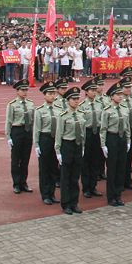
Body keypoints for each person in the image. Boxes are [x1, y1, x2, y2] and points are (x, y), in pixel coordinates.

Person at [55, 86, 85, 215]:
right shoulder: (63, 116)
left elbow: (83, 133)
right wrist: (58, 151)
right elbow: (59, 134)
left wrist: (83, 147)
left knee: (75, 176)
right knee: (65, 177)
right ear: (68, 100)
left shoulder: (81, 114)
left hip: (77, 146)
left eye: (77, 98)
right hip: (67, 145)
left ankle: (74, 202)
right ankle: (66, 204)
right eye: (73, 99)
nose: (76, 101)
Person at [100, 82, 130, 207]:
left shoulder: (125, 108)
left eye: (121, 94)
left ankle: (118, 195)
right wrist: (103, 145)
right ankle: (111, 197)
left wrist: (128, 140)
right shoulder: (106, 111)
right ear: (112, 96)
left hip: (122, 138)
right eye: (117, 94)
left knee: (121, 167)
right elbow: (103, 129)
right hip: (112, 138)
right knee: (112, 168)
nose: (120, 96)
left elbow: (127, 126)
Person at [5, 79, 35, 194]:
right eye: (22, 90)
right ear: (17, 91)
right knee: (16, 159)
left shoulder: (30, 104)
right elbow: (8, 121)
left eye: (26, 90)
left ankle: (24, 182)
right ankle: (16, 183)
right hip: (17, 131)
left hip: (27, 132)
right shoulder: (12, 105)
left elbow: (33, 121)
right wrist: (8, 137)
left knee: (25, 159)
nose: (25, 92)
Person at [33, 81, 60, 205]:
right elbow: (37, 129)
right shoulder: (39, 110)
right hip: (45, 139)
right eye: (49, 94)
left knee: (54, 167)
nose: (52, 96)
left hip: (56, 140)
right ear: (44, 95)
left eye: (54, 94)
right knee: (44, 168)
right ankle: (45, 194)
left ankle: (52, 193)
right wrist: (37, 145)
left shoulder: (59, 109)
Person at [79, 79, 104, 198]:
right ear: (86, 92)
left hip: (97, 133)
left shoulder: (100, 104)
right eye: (91, 90)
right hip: (87, 134)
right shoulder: (82, 106)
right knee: (86, 162)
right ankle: (86, 188)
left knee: (96, 161)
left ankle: (93, 186)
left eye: (95, 90)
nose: (94, 92)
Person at [120, 78, 132, 191]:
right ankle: (121, 182)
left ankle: (128, 180)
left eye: (129, 87)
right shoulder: (119, 101)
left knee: (129, 158)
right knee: (122, 159)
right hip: (122, 132)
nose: (128, 89)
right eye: (126, 87)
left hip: (131, 131)